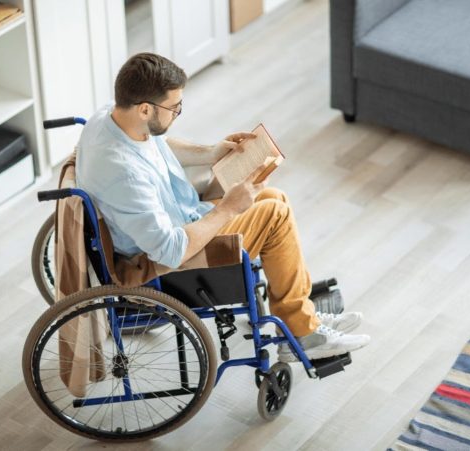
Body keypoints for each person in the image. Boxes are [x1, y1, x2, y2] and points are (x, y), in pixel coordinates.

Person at [76, 53, 370, 361]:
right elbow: (171, 250)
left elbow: (156, 143)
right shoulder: (123, 174)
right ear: (145, 108)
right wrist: (228, 209)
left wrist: (210, 153)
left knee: (273, 198)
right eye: (174, 107)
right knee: (275, 215)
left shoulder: (114, 116)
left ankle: (299, 316)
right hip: (166, 262)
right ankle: (302, 332)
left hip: (182, 216)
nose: (178, 112)